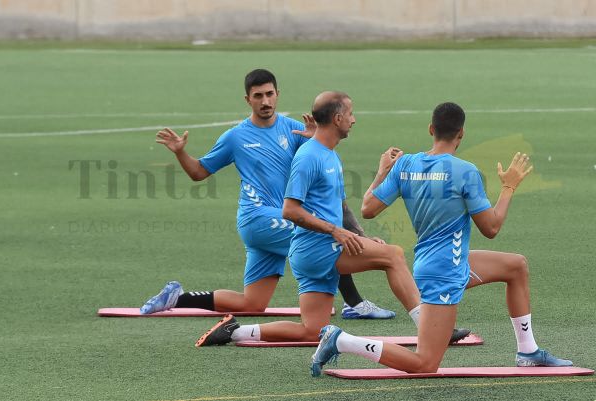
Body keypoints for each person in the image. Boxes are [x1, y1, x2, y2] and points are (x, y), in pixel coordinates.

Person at [310, 102, 573, 376]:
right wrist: (508, 187)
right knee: (425, 363)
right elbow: (491, 228)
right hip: (445, 272)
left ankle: (528, 351)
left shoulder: (405, 164)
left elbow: (367, 208)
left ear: (431, 129)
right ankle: (342, 341)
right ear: (461, 134)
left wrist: (382, 173)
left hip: (442, 262)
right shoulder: (465, 172)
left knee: (516, 266)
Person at [195, 92, 468, 347]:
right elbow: (290, 210)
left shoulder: (329, 154)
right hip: (317, 248)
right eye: (350, 113)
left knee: (312, 331)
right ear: (337, 119)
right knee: (393, 256)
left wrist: (362, 232)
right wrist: (335, 232)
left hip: (313, 253)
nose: (353, 119)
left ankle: (235, 331)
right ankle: (433, 330)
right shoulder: (309, 156)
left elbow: (341, 209)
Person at [140, 69, 395, 319]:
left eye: (269, 94)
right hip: (258, 218)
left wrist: (312, 139)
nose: (265, 101)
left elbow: (322, 162)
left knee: (252, 303)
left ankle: (177, 297)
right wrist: (180, 152)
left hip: (276, 220)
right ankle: (354, 303)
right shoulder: (235, 137)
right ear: (247, 99)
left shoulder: (295, 129)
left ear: (277, 94)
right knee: (321, 237)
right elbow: (198, 172)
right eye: (258, 96)